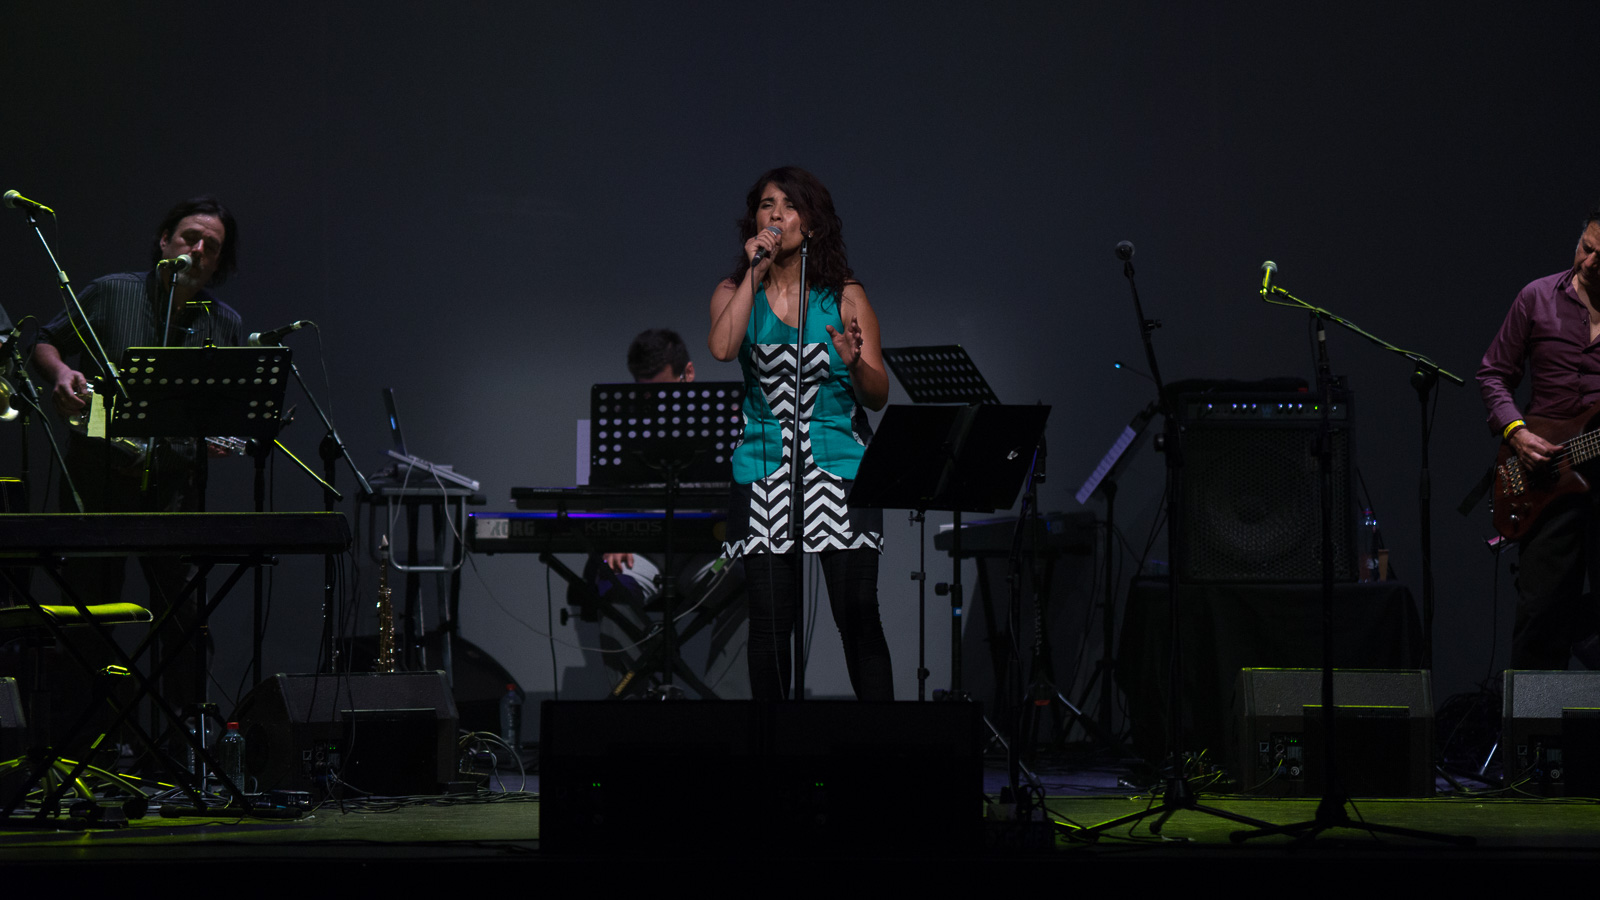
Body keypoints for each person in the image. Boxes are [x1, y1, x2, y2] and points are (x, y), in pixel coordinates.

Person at [29, 195, 245, 757]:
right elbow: (43, 341)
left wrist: (218, 434)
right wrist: (62, 373)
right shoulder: (112, 291)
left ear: (218, 264)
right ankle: (90, 745)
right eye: (190, 237)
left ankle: (178, 750)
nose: (198, 249)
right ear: (164, 241)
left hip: (175, 486)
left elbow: (224, 411)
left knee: (183, 617)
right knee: (90, 610)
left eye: (212, 246)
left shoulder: (223, 323)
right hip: (97, 474)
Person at [708, 166, 893, 701]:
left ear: (811, 223)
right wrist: (755, 273)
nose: (777, 215)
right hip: (765, 469)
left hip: (840, 470)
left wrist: (854, 364)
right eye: (767, 205)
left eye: (790, 206)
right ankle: (775, 745)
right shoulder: (733, 291)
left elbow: (878, 395)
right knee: (769, 625)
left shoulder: (845, 296)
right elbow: (722, 349)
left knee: (857, 615)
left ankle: (887, 742)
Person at [1479, 202, 1600, 669]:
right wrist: (1518, 434)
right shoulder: (1536, 297)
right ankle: (1531, 718)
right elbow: (1493, 374)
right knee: (1539, 619)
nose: (1589, 262)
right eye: (1586, 248)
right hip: (1545, 481)